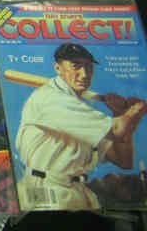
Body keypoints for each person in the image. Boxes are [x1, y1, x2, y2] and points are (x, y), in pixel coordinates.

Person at [16, 43, 147, 210]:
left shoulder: (78, 106)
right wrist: (136, 110)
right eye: (76, 65)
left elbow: (123, 160)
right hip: (47, 190)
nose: (84, 74)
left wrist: (120, 113)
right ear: (57, 67)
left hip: (76, 190)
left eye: (88, 67)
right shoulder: (52, 99)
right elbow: (117, 130)